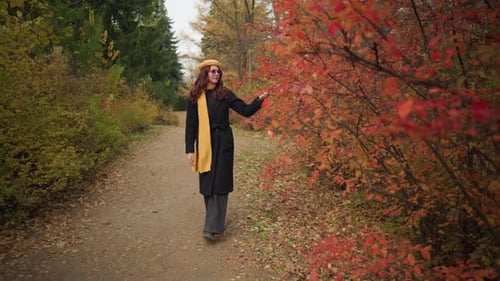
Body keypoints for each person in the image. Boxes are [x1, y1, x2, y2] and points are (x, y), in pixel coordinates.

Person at [185, 59, 268, 241]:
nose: (217, 74)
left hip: (224, 141)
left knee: (220, 183)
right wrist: (189, 149)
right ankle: (214, 222)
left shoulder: (225, 93)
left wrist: (259, 100)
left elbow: (245, 110)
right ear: (205, 73)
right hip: (205, 143)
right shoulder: (195, 96)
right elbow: (191, 125)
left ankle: (212, 228)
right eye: (213, 71)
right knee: (208, 182)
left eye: (218, 72)